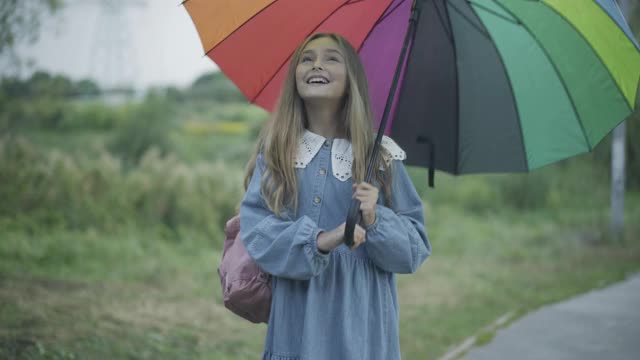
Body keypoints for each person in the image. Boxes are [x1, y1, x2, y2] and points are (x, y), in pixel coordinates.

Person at [240, 32, 431, 360]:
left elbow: (412, 251)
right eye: (306, 58)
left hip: (363, 328)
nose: (316, 64)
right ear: (294, 77)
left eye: (331, 58)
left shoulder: (380, 156)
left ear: (351, 79)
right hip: (299, 323)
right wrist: (322, 240)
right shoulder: (280, 152)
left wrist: (375, 218)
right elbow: (258, 233)